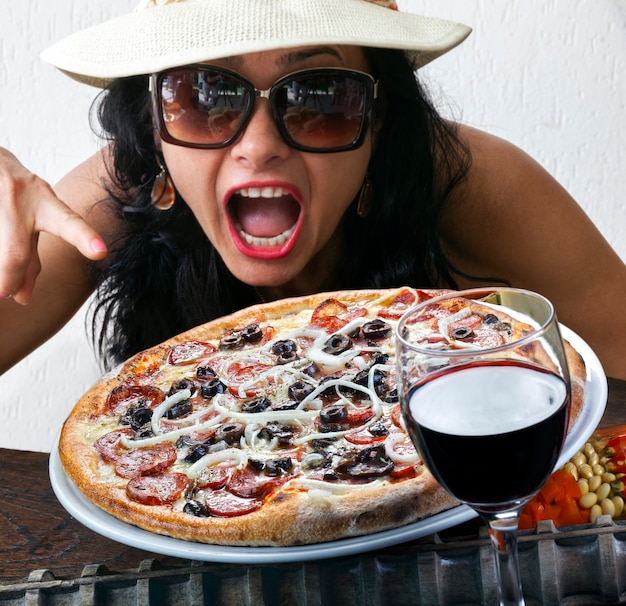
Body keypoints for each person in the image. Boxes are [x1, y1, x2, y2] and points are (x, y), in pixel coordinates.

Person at [0, 0, 625, 381]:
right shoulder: (123, 185)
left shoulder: (464, 178)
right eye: (204, 95)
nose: (259, 144)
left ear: (380, 121)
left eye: (321, 94)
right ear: (152, 130)